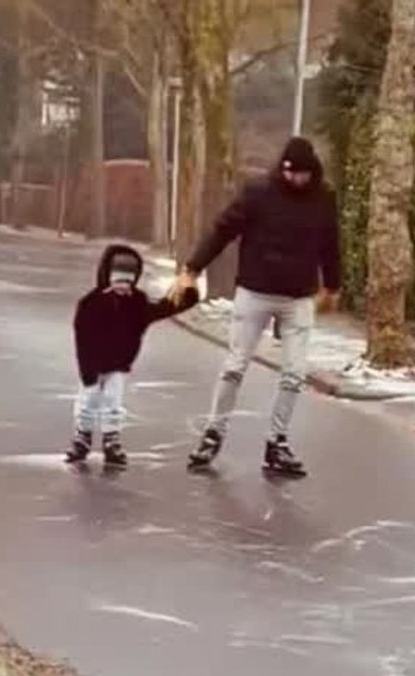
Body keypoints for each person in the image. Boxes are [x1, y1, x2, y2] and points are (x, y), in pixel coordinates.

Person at [171, 136, 341, 476]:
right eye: (290, 173)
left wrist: (333, 286)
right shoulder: (258, 192)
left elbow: (330, 242)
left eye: (302, 175)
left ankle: (277, 442)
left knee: (294, 373)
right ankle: (213, 434)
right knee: (235, 366)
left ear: (312, 172)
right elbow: (222, 231)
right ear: (282, 168)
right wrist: (192, 269)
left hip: (298, 297)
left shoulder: (323, 197)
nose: (295, 180)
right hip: (255, 292)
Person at [66, 244, 199, 467]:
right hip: (92, 363)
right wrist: (86, 370)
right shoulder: (91, 303)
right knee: (88, 400)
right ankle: (82, 437)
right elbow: (82, 338)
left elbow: (162, 308)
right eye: (118, 281)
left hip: (119, 363)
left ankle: (111, 440)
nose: (123, 287)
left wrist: (187, 295)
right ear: (107, 277)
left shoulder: (137, 303)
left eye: (128, 282)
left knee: (113, 401)